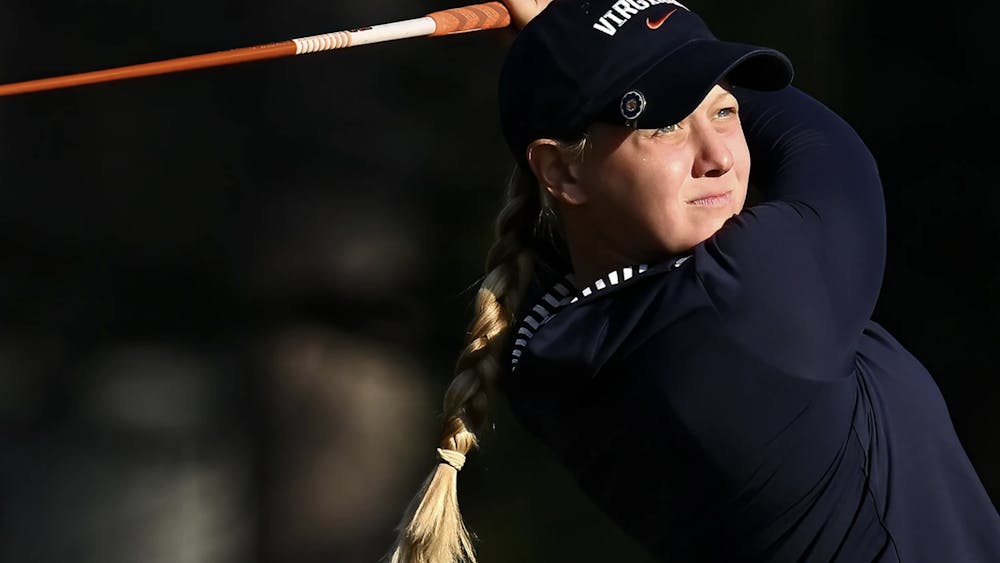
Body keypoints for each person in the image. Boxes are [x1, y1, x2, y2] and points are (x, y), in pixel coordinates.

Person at [387, 1, 1000, 561]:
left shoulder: (542, 346)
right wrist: (584, 19)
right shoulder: (745, 303)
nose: (720, 157)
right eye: (666, 126)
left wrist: (577, 35)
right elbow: (827, 150)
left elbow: (580, 206)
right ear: (560, 171)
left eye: (725, 111)